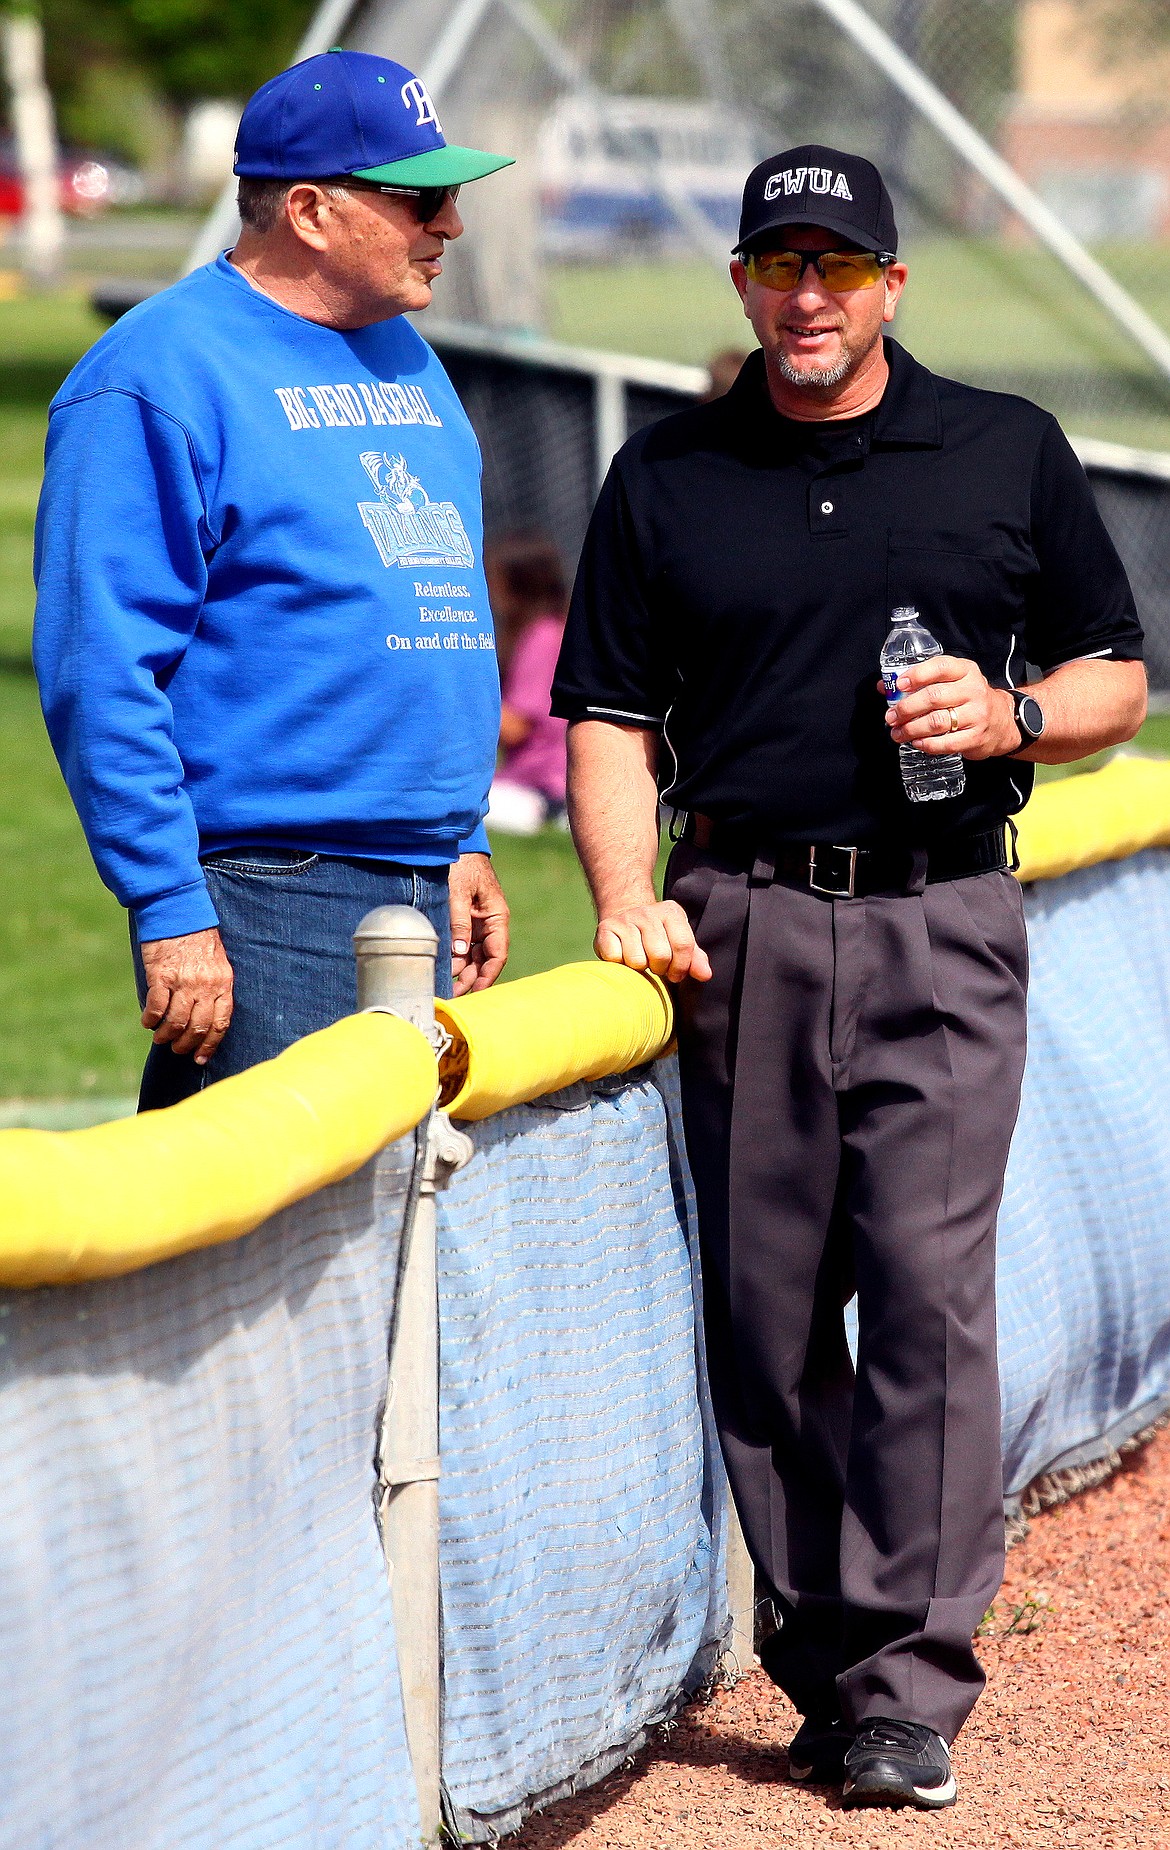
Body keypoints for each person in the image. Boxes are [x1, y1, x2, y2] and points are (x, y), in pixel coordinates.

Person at [553, 144, 1145, 1811]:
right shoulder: (664, 475)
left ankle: (905, 1681)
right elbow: (601, 715)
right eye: (776, 265)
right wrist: (621, 895)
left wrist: (1014, 713)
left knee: (933, 1313)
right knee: (767, 1321)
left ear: (894, 282)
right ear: (741, 283)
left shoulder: (1004, 449)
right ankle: (826, 1652)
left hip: (946, 922)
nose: (806, 295)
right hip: (741, 919)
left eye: (838, 266)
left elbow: (1117, 675)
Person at [34, 49, 513, 1109]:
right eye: (422, 195)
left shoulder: (408, 357)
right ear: (307, 208)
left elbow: (428, 599)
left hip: (422, 881)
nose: (451, 224)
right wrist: (168, 902)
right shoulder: (156, 374)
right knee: (281, 1254)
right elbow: (102, 669)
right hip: (270, 890)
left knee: (398, 1239)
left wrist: (460, 834)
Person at [484, 533, 569, 835]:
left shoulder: (542, 636)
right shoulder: (550, 630)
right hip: (532, 786)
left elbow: (515, 727)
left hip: (542, 790)